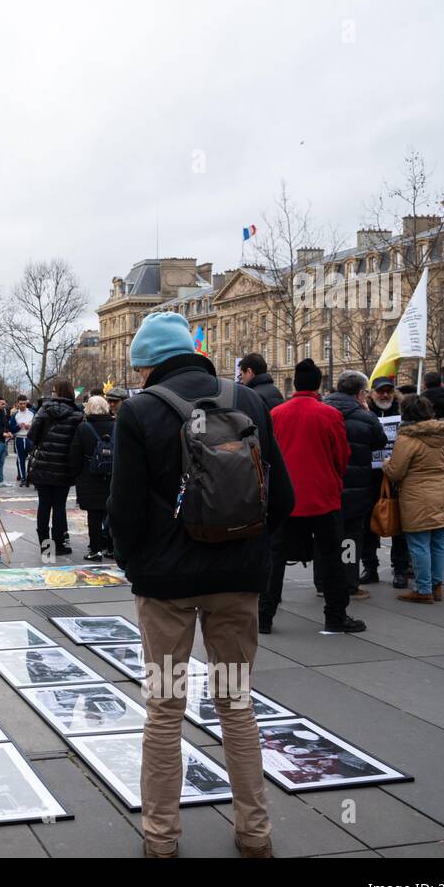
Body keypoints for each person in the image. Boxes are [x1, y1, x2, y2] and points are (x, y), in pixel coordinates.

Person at [109, 310, 294, 858]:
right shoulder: (250, 400)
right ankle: (254, 834)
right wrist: (249, 549)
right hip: (236, 579)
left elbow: (124, 509)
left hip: (165, 585)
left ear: (148, 365)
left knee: (165, 707)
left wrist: (135, 564)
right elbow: (280, 496)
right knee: (236, 703)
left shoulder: (140, 411)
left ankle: (161, 839)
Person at [261, 359, 366, 634]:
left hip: (285, 499)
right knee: (332, 558)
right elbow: (341, 456)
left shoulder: (277, 414)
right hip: (322, 497)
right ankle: (335, 615)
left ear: (294, 383)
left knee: (275, 558)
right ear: (319, 384)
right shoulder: (329, 414)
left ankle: (264, 616)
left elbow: (267, 457)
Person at [318, 371, 386, 601]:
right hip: (356, 487)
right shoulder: (364, 416)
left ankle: (321, 582)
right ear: (360, 394)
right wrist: (368, 414)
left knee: (323, 535)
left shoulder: (321, 410)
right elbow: (380, 441)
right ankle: (348, 583)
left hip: (325, 484)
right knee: (350, 537)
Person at [382, 394, 444, 604]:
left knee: (419, 543)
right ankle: (436, 586)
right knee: (439, 543)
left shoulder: (406, 439)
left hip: (417, 496)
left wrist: (387, 463)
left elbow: (395, 472)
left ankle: (423, 590)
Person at [362, 376, 410, 588]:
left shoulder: (402, 413)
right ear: (372, 393)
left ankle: (400, 569)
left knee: (399, 524)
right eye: (381, 391)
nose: (385, 395)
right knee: (368, 524)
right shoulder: (365, 413)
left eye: (389, 391)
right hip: (370, 477)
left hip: (396, 476)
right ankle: (370, 567)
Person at [28, 379, 83, 555]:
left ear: (56, 393)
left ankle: (45, 546)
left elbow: (32, 435)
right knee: (59, 506)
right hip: (64, 466)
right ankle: (58, 544)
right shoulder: (77, 414)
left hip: (43, 464)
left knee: (44, 504)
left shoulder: (44, 410)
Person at [69, 394, 115, 560]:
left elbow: (75, 454)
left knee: (94, 515)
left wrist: (76, 474)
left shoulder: (83, 428)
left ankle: (95, 550)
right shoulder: (116, 425)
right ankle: (111, 548)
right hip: (112, 477)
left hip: (89, 476)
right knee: (111, 514)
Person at [11, 395, 35, 484]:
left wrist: (31, 427)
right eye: (21, 404)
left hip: (29, 438)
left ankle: (31, 477)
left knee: (33, 459)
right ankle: (23, 478)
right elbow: (11, 428)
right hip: (19, 439)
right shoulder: (15, 415)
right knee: (21, 459)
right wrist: (18, 426)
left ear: (27, 403)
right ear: (18, 404)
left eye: (24, 403)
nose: (23, 405)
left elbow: (37, 425)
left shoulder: (32, 413)